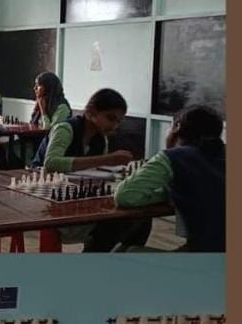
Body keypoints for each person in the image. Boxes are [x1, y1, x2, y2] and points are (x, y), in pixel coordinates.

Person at [40, 88, 151, 251]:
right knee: (112, 225)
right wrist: (107, 159)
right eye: (110, 118)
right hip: (45, 195)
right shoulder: (65, 128)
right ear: (91, 112)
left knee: (140, 217)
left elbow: (98, 171)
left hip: (78, 194)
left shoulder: (101, 139)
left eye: (118, 121)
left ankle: (118, 255)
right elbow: (51, 164)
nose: (114, 125)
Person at [114, 105, 225, 252]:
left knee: (126, 252)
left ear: (177, 127)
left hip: (208, 257)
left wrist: (170, 194)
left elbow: (125, 196)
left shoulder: (174, 157)